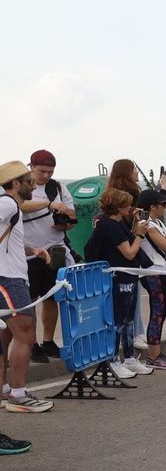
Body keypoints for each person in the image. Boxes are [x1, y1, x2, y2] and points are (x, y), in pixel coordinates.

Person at [0, 160, 58, 409]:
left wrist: (32, 249)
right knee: (25, 333)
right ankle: (19, 394)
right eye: (28, 182)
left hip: (10, 276)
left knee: (6, 336)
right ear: (15, 184)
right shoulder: (7, 203)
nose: (32, 187)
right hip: (9, 280)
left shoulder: (11, 206)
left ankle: (5, 390)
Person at [83, 186, 152, 383]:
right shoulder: (110, 226)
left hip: (127, 277)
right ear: (118, 207)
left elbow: (124, 241)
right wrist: (139, 234)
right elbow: (129, 252)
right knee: (118, 320)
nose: (130, 207)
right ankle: (112, 359)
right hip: (118, 279)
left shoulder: (116, 223)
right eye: (127, 205)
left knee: (129, 319)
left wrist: (135, 228)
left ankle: (129, 357)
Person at [18, 150, 74, 362]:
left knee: (52, 297)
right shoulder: (21, 187)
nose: (46, 176)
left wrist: (65, 221)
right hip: (28, 253)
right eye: (42, 171)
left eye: (50, 172)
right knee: (31, 300)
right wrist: (48, 205)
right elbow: (19, 206)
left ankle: (48, 341)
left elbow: (70, 214)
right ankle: (32, 344)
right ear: (30, 166)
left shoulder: (57, 187)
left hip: (55, 249)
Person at [134, 187, 166, 369]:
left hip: (162, 271)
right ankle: (153, 355)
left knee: (162, 311)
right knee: (158, 312)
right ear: (152, 207)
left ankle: (157, 352)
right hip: (152, 272)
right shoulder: (148, 225)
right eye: (163, 205)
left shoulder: (157, 223)